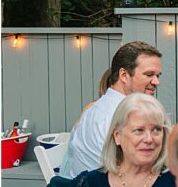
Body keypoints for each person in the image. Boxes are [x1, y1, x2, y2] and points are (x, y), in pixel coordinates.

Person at [62, 41, 162, 178]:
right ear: (124, 75)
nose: (156, 82)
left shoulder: (95, 109)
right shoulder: (118, 117)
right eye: (149, 74)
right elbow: (134, 173)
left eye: (158, 76)